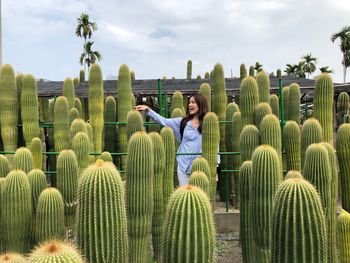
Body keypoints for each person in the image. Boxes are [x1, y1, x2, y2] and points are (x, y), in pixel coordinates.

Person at [135, 93, 214, 186]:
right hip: (183, 166)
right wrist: (148, 110)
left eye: (193, 102)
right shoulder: (183, 122)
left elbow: (214, 146)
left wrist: (216, 168)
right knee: (185, 195)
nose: (190, 105)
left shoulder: (208, 123)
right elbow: (164, 121)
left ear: (200, 104)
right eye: (189, 102)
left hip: (200, 168)